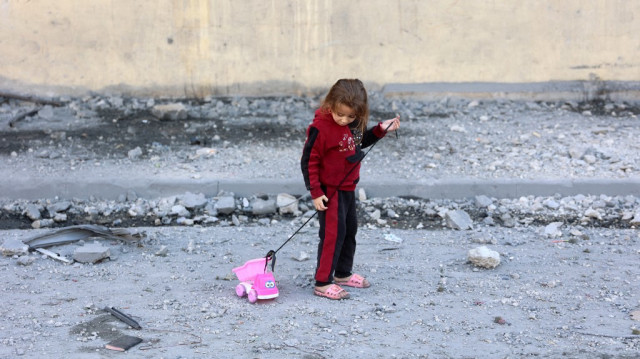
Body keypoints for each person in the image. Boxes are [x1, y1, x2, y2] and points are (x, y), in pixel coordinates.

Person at [300, 79, 400, 300]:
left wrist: (381, 129)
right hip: (329, 191)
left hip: (347, 187)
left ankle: (343, 274)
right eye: (340, 115)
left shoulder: (354, 121)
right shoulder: (321, 128)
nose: (344, 120)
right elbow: (309, 161)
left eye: (351, 117)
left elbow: (358, 141)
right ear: (330, 104)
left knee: (349, 231)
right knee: (332, 235)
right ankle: (323, 282)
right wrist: (315, 192)